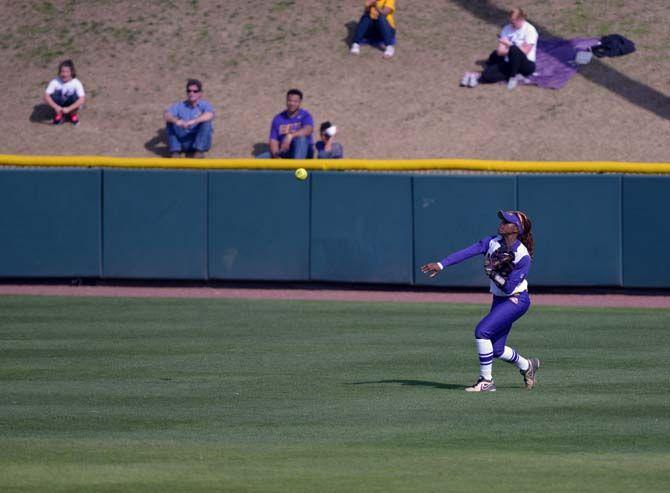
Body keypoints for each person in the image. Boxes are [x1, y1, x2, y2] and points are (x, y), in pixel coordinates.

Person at [421, 210, 541, 393]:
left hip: (516, 300)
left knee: (482, 331)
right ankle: (527, 366)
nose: (501, 222)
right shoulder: (491, 242)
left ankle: (486, 381)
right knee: (497, 349)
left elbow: (509, 288)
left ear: (516, 229)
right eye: (502, 219)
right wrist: (441, 264)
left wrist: (493, 273)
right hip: (500, 299)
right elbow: (467, 252)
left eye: (506, 221)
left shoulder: (522, 256)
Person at [464, 8, 538, 89]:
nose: (512, 25)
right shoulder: (507, 29)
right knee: (487, 74)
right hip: (509, 63)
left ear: (521, 19)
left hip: (526, 64)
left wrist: (509, 46)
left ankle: (513, 77)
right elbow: (500, 51)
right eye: (510, 22)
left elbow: (525, 52)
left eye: (514, 22)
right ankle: (475, 78)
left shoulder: (530, 30)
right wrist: (512, 52)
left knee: (514, 49)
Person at [164, 79, 215, 158]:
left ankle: (199, 152)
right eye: (189, 91)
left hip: (198, 141)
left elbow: (210, 115)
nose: (191, 93)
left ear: (200, 93)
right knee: (170, 122)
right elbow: (166, 115)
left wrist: (194, 121)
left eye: (195, 91)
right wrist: (177, 121)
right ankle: (175, 151)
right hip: (183, 142)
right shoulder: (179, 105)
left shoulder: (205, 105)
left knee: (206, 122)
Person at [258, 89, 314, 159]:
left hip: (304, 151)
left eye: (295, 101)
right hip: (285, 152)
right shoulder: (278, 118)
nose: (292, 104)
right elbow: (273, 140)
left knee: (301, 140)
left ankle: (296, 168)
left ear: (300, 102)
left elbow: (308, 129)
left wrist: (291, 136)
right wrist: (276, 156)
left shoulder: (305, 115)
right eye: (289, 100)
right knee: (262, 158)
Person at [44, 60, 86, 126]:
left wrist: (69, 109)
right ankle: (59, 115)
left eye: (67, 72)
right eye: (62, 72)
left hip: (71, 102)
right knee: (53, 94)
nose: (64, 74)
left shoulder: (76, 83)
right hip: (59, 103)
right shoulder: (55, 81)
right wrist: (56, 107)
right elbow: (46, 96)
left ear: (71, 72)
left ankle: (73, 115)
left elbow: (82, 99)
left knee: (75, 96)